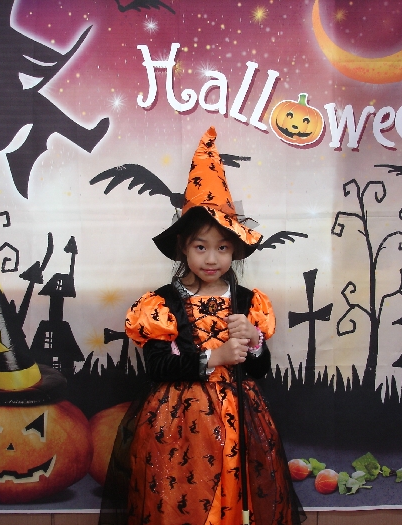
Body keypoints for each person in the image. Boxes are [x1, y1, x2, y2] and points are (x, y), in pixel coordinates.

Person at [99, 127, 304, 525]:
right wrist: (215, 357)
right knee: (182, 498)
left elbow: (260, 369)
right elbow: (157, 366)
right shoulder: (162, 304)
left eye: (223, 248)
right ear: (183, 247)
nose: (212, 259)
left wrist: (254, 343)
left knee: (236, 492)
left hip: (239, 418)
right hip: (179, 424)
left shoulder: (248, 302)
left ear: (235, 250)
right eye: (201, 247)